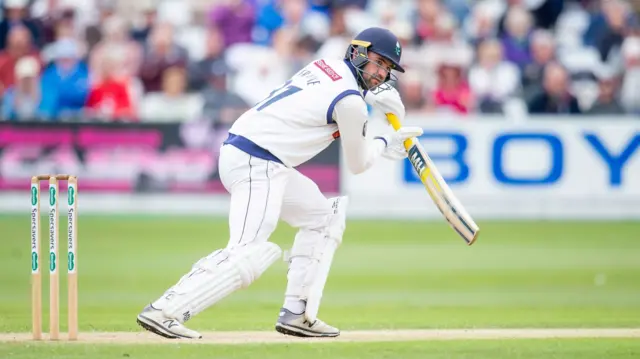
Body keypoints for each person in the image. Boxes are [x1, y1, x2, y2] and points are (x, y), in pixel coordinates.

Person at [136, 27, 423, 339]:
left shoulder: (324, 65)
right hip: (257, 160)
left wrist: (371, 100)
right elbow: (358, 163)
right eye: (378, 62)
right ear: (358, 53)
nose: (381, 73)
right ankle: (164, 311)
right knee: (248, 251)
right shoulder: (351, 102)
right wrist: (384, 138)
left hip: (258, 156)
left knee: (323, 218)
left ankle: (298, 313)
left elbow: (335, 96)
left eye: (387, 68)